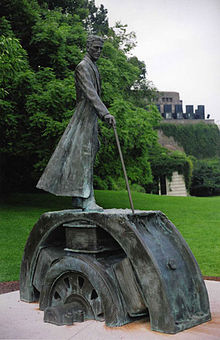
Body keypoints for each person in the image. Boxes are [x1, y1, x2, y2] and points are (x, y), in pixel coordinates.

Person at [36, 35, 115, 211]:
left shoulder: (93, 66)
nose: (99, 51)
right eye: (96, 48)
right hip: (83, 117)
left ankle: (78, 198)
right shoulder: (83, 67)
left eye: (101, 48)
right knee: (83, 156)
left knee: (85, 155)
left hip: (90, 117)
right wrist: (105, 113)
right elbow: (90, 93)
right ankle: (87, 199)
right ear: (88, 47)